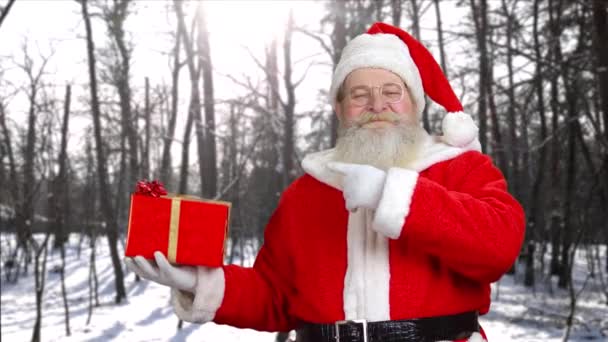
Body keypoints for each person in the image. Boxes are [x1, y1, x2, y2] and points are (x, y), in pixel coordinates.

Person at [126, 22, 525, 342]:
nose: (377, 105)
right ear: (339, 108)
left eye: (392, 91)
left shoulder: (461, 168)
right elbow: (277, 296)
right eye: (359, 95)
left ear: (415, 103)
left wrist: (393, 196)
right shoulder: (307, 193)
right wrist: (200, 282)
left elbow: (499, 247)